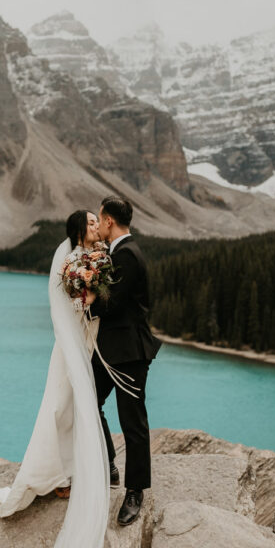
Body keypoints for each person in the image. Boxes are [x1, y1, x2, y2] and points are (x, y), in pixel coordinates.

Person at [0, 210, 109, 548]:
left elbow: (98, 300)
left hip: (87, 341)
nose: (95, 225)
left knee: (73, 409)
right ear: (77, 230)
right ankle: (48, 474)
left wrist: (96, 295)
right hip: (69, 345)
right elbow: (69, 305)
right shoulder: (71, 261)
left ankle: (67, 474)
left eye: (95, 220)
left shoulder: (98, 257)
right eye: (89, 222)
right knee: (58, 406)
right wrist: (85, 297)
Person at [87, 196, 162, 527]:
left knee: (133, 422)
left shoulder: (128, 255)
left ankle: (135, 492)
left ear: (108, 222)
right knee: (87, 401)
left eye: (100, 219)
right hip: (108, 350)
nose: (99, 226)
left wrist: (85, 296)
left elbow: (112, 303)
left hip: (129, 353)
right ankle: (110, 464)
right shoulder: (118, 253)